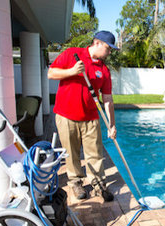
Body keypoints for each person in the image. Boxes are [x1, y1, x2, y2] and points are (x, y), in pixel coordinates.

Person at [48, 31, 118, 201]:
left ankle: (98, 183)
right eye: (108, 48)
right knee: (71, 153)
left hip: (91, 118)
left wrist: (112, 124)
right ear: (98, 43)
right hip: (66, 116)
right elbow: (51, 73)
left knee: (95, 153)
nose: (110, 53)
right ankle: (75, 182)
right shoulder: (72, 54)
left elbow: (107, 98)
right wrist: (72, 71)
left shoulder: (104, 70)